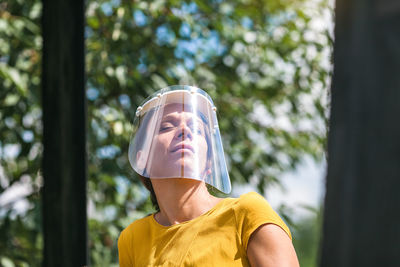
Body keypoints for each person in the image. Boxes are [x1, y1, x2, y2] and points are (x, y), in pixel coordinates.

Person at [118, 85, 299, 266]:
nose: (185, 131)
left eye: (196, 129)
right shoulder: (132, 238)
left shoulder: (247, 214)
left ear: (209, 163)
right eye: (166, 126)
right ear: (141, 159)